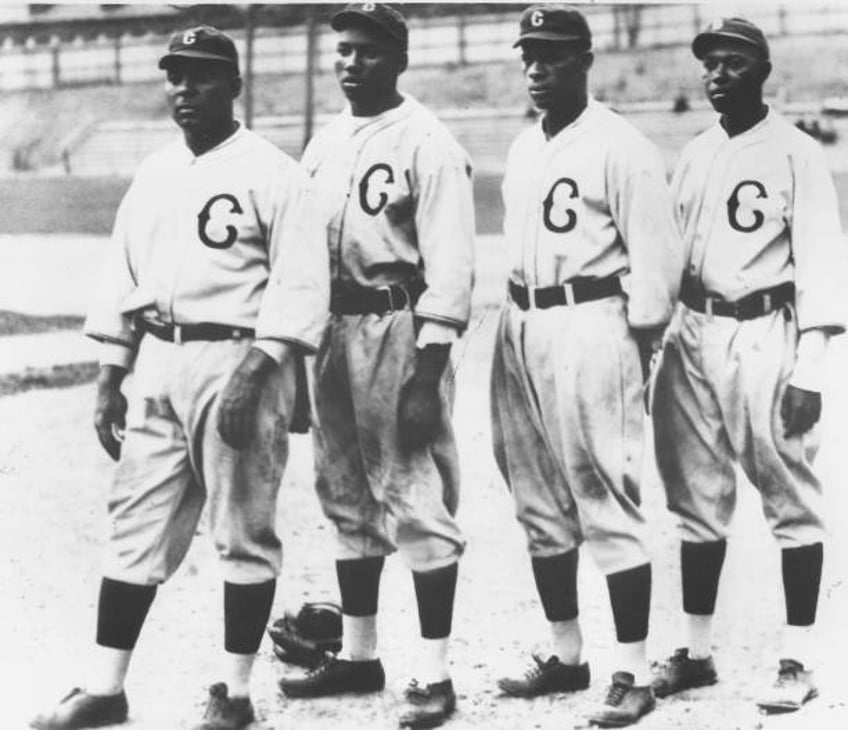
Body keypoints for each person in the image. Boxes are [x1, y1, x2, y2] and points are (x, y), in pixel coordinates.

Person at [31, 25, 329, 730]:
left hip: (239, 360)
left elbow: (300, 286)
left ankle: (234, 693)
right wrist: (112, 372)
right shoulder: (156, 172)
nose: (184, 89)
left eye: (200, 76)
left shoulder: (275, 173)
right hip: (161, 358)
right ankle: (106, 688)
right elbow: (122, 277)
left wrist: (260, 369)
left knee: (242, 529)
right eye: (175, 76)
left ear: (234, 85)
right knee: (133, 522)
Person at [277, 4, 475, 729]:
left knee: (412, 493)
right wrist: (297, 355)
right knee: (345, 496)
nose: (349, 63)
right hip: (330, 328)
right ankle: (360, 656)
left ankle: (434, 672)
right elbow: (297, 253)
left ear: (397, 58)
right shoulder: (325, 141)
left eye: (365, 51)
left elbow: (453, 267)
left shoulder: (428, 142)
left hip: (397, 324)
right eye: (342, 51)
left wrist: (428, 370)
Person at [490, 5, 684, 727]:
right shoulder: (522, 145)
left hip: (592, 322)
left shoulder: (621, 146)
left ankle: (631, 673)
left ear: (586, 59)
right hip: (523, 322)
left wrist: (635, 342)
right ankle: (567, 657)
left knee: (606, 494)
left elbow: (657, 264)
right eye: (530, 57)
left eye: (554, 56)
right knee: (537, 499)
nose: (539, 69)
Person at [650, 17, 846, 714]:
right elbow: (671, 257)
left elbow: (823, 259)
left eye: (732, 63)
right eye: (708, 63)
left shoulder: (795, 152)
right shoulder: (698, 150)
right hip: (694, 331)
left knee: (789, 494)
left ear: (762, 72)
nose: (716, 74)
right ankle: (698, 653)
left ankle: (798, 660)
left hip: (764, 331)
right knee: (693, 495)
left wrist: (813, 369)